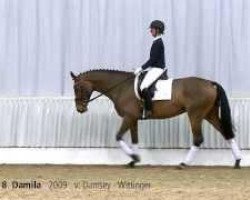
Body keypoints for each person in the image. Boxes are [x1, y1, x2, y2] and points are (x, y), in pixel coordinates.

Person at [134, 20, 166, 119]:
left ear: (157, 30)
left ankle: (149, 110)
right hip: (154, 68)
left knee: (143, 87)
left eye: (152, 29)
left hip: (157, 69)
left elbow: (152, 60)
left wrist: (141, 68)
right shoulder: (156, 41)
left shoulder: (158, 42)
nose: (150, 31)